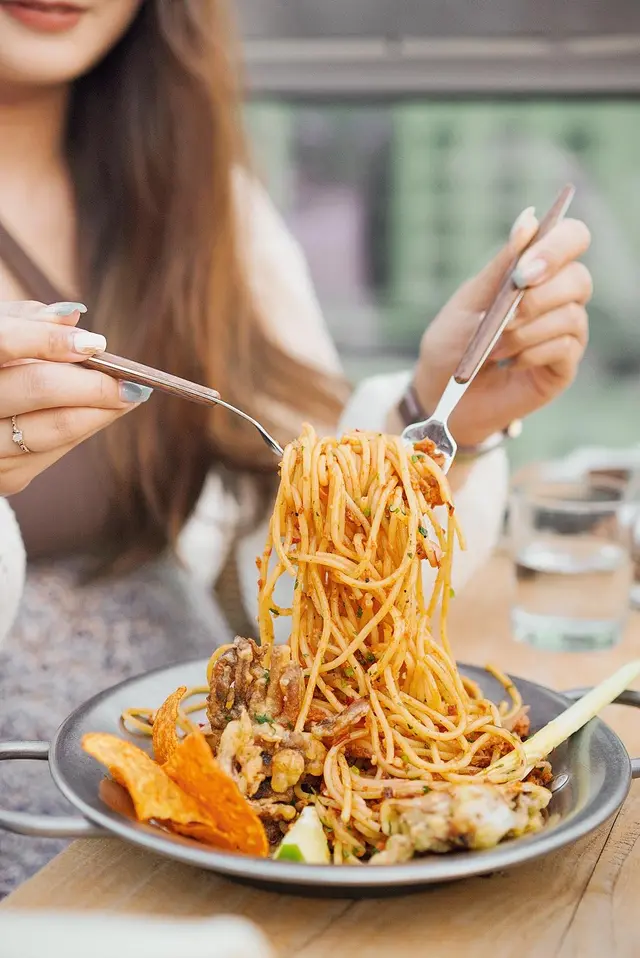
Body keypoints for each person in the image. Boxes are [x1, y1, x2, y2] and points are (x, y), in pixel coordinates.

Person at [0, 0, 591, 895]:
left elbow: (275, 569)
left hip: (244, 787)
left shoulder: (204, 199)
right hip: (40, 832)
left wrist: (441, 417)